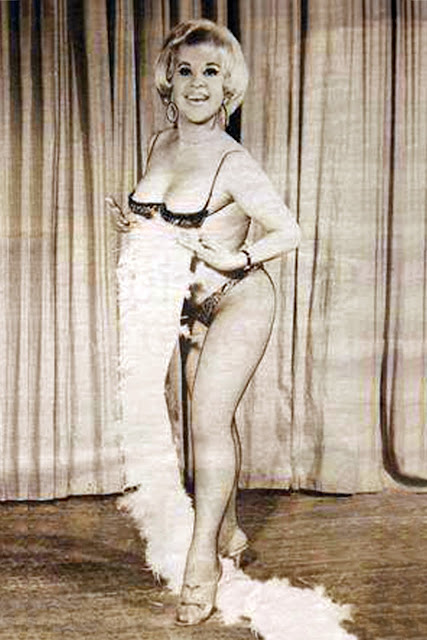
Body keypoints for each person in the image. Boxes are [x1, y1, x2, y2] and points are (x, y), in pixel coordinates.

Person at [109, 19, 300, 627]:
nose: (197, 83)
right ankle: (231, 531)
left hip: (238, 300)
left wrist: (239, 258)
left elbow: (289, 231)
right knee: (192, 429)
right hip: (182, 306)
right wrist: (138, 224)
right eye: (186, 70)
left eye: (210, 73)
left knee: (209, 423)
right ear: (169, 80)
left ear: (228, 87)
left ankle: (203, 565)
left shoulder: (233, 161)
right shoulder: (161, 143)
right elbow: (166, 222)